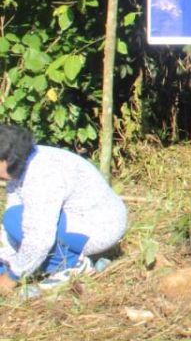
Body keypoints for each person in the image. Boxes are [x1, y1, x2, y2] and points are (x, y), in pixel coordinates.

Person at [0, 124, 127, 292]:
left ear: (6, 159)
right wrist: (6, 260)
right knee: (12, 218)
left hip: (100, 226)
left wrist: (11, 278)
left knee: (15, 220)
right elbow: (11, 219)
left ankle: (72, 265)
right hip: (75, 219)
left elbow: (39, 237)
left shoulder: (43, 175)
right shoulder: (22, 164)